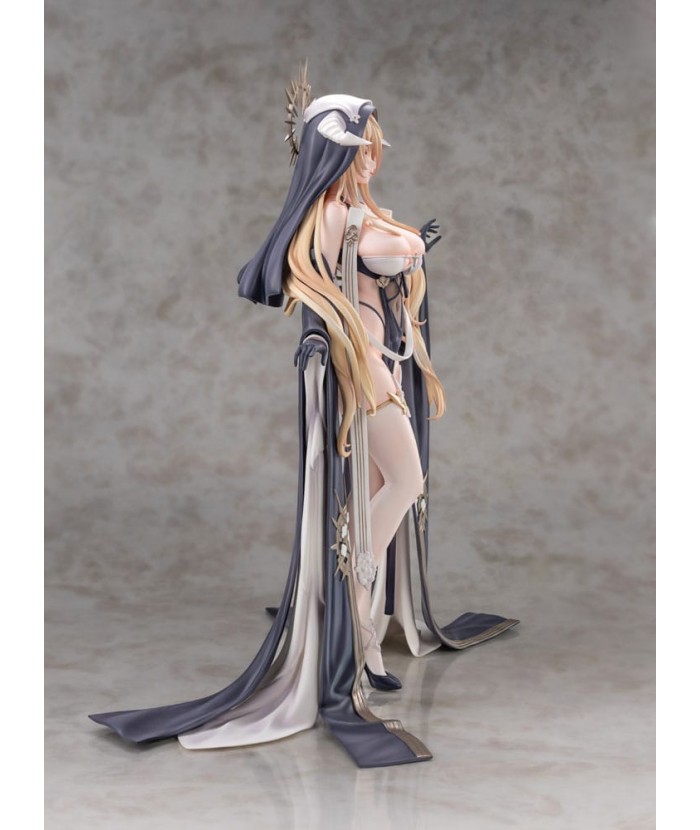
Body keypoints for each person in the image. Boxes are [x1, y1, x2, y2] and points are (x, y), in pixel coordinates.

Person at [89, 69, 519, 769]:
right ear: (334, 152)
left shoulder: (348, 212)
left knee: (383, 490)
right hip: (363, 369)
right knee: (402, 484)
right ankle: (350, 610)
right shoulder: (332, 217)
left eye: (376, 149)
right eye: (362, 148)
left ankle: (361, 624)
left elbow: (395, 248)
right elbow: (396, 249)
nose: (372, 160)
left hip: (377, 362)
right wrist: (406, 241)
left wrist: (399, 239)